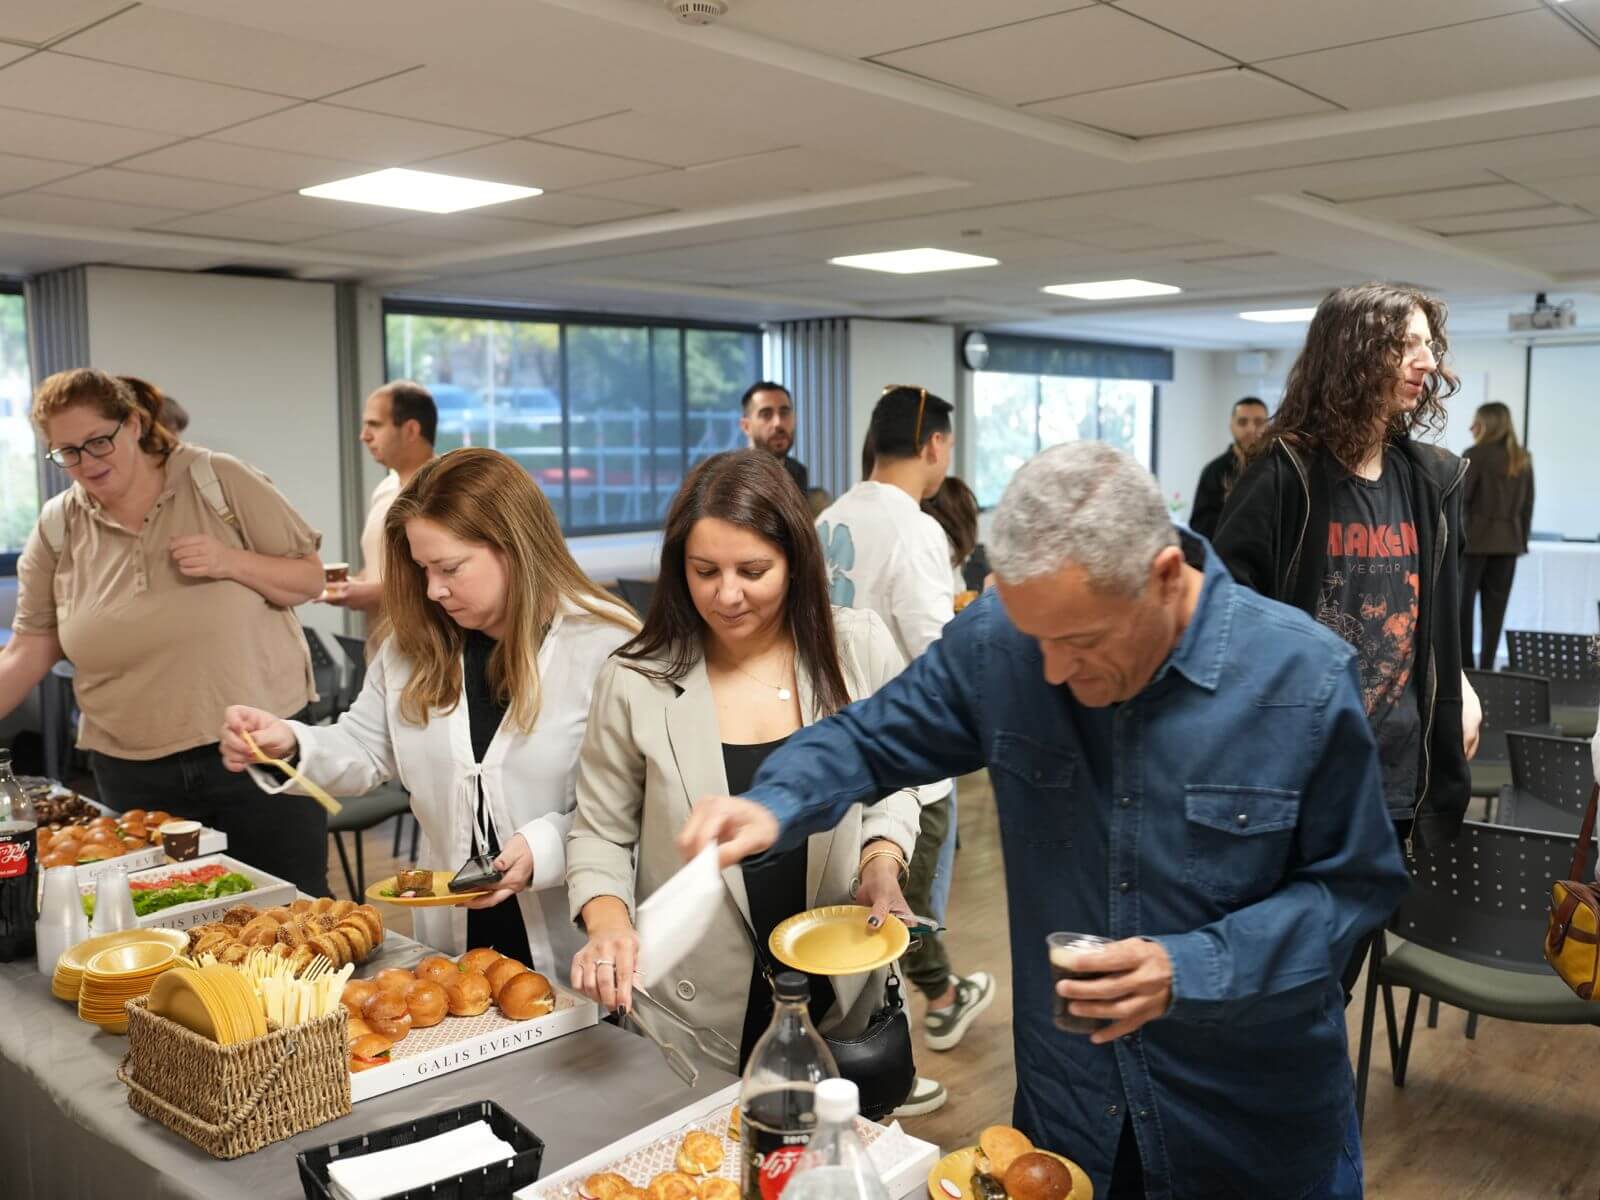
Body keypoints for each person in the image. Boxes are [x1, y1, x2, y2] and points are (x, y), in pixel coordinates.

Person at [680, 441, 1408, 1200]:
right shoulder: (1004, 642)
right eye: (1038, 643)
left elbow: (1353, 888)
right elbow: (870, 738)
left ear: (1165, 577)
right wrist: (775, 799)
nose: (1054, 671)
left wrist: (1191, 967)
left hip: (1242, 1126)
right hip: (1070, 1112)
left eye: (1082, 643)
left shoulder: (1302, 681)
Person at [565, 449, 922, 1087]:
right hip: (692, 1006)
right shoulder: (637, 679)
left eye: (753, 571)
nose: (726, 595)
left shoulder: (855, 647)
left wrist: (880, 861)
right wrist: (609, 924)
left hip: (837, 981)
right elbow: (599, 832)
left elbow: (895, 780)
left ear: (795, 562)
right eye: (705, 571)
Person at [221, 448, 638, 966]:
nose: (434, 590)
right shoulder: (411, 645)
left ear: (515, 547)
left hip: (574, 935)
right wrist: (288, 743)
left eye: (450, 568)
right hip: (456, 931)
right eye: (422, 569)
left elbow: (633, 807)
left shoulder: (605, 646)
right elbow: (366, 747)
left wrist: (544, 847)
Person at [1, 368, 328, 892]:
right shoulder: (58, 524)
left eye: (99, 441)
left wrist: (229, 561)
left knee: (290, 909)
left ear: (133, 424)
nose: (87, 462)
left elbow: (309, 579)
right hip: (132, 770)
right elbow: (29, 648)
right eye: (67, 452)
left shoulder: (217, 480)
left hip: (255, 751)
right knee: (161, 923)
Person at [1214, 282, 1481, 856]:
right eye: (1406, 345)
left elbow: (1435, 614)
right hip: (1303, 770)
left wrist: (1458, 682)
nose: (1427, 362)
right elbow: (1226, 619)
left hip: (1397, 773)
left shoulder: (1431, 482)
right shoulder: (1283, 477)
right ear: (1353, 353)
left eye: (1429, 345)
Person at [816, 388, 994, 1085]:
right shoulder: (915, 528)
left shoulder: (828, 517)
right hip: (906, 764)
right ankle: (891, 1070)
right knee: (898, 916)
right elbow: (936, 657)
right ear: (936, 445)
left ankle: (858, 1060)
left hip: (836, 747)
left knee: (849, 918)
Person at [325, 381, 438, 617]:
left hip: (427, 637)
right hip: (382, 637)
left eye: (374, 425)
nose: (364, 436)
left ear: (411, 430)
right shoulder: (385, 489)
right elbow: (379, 570)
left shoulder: (444, 490)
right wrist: (350, 585)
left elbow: (443, 580)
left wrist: (369, 594)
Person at [1460, 402, 1534, 670]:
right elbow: (1527, 506)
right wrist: (1520, 541)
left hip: (1473, 544)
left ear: (1486, 424)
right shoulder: (1522, 458)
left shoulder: (1474, 455)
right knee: (1495, 613)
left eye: (1476, 421)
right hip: (1508, 544)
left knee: (1463, 610)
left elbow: (1462, 501)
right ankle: (1488, 668)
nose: (1471, 426)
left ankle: (1466, 669)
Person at [1187, 396, 1268, 540]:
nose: (1250, 429)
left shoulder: (1278, 470)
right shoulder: (1213, 471)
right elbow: (1199, 526)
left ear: (1268, 426)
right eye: (1242, 422)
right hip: (1225, 551)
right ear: (1232, 426)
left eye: (1258, 422)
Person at [740, 381, 807, 492]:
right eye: (766, 414)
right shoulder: (732, 475)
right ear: (746, 426)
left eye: (784, 413)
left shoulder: (797, 471)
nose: (778, 423)